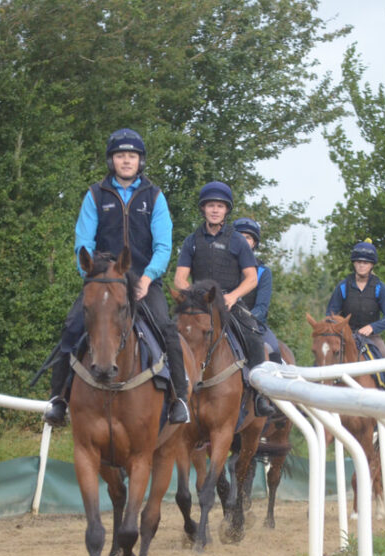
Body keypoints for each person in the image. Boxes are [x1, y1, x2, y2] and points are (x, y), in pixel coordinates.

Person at [42, 128, 190, 426]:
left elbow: (163, 245)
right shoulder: (95, 195)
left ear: (140, 161)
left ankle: (179, 399)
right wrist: (92, 274)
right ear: (112, 161)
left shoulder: (155, 196)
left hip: (144, 279)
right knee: (72, 326)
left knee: (167, 329)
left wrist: (148, 278)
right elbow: (83, 242)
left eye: (131, 156)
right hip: (104, 280)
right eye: (120, 155)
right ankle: (58, 398)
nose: (126, 161)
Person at [174, 182, 275, 417]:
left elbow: (251, 278)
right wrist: (192, 295)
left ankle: (260, 395)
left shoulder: (238, 241)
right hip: (199, 302)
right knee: (171, 331)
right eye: (211, 206)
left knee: (252, 334)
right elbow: (180, 278)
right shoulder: (191, 240)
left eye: (220, 206)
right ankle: (174, 389)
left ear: (226, 210)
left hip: (228, 300)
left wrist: (232, 296)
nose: (215, 210)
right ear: (203, 209)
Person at [325, 239, 385, 390]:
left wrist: (372, 327)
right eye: (358, 262)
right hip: (346, 337)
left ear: (371, 265)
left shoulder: (379, 287)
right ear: (354, 263)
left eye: (365, 262)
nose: (361, 265)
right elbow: (330, 315)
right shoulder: (343, 286)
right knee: (324, 358)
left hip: (371, 338)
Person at [234, 217, 282, 364]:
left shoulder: (263, 272)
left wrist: (245, 321)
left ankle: (273, 384)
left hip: (252, 324)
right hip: (224, 320)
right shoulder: (223, 268)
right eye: (239, 236)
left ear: (254, 243)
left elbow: (262, 307)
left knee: (273, 348)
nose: (243, 240)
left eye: (247, 237)